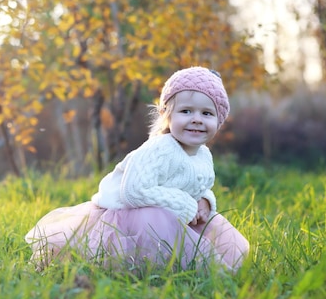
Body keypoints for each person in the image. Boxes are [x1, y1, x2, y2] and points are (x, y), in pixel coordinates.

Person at [25, 66, 249, 272]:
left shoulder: (203, 155)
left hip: (175, 211)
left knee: (218, 232)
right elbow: (134, 191)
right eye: (186, 111)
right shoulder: (160, 149)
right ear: (167, 115)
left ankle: (191, 265)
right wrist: (186, 204)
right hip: (131, 215)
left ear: (219, 120)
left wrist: (204, 201)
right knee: (156, 221)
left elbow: (198, 185)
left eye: (207, 113)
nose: (197, 120)